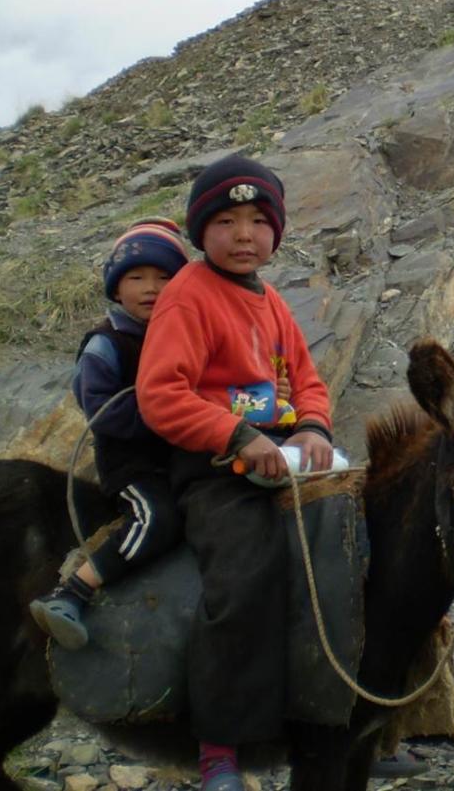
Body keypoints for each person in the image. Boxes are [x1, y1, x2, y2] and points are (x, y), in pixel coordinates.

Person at [136, 154, 334, 791]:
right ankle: (218, 745)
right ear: (200, 232)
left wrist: (312, 427)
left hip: (282, 454)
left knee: (352, 552)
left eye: (257, 220)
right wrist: (237, 435)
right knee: (243, 575)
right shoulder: (187, 298)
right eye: (225, 220)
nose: (244, 234)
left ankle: (341, 720)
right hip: (215, 466)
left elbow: (306, 380)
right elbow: (161, 394)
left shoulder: (272, 301)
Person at [29, 218, 190, 649]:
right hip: (133, 464)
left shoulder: (183, 337)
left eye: (164, 277)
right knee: (159, 517)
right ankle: (75, 590)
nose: (151, 288)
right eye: (136, 277)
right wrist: (170, 415)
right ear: (116, 288)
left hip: (182, 454)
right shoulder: (106, 345)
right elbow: (100, 408)